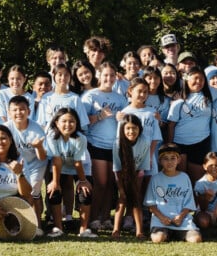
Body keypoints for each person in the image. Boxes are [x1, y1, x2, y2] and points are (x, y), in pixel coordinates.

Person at [81, 62, 128, 229]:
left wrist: (123, 119)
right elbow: (82, 121)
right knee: (100, 183)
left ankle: (106, 218)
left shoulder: (121, 98)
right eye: (105, 75)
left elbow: (127, 122)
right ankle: (94, 218)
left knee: (110, 184)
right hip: (96, 144)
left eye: (112, 75)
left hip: (115, 146)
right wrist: (100, 116)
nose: (109, 78)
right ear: (98, 76)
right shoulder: (90, 95)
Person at [44, 107, 94, 238]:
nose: (68, 125)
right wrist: (55, 182)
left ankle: (83, 229)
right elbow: (56, 160)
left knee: (85, 193)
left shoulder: (81, 138)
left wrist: (82, 181)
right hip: (60, 165)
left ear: (77, 123)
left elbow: (78, 162)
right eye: (64, 121)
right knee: (54, 191)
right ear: (56, 123)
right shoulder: (51, 137)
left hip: (82, 166)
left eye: (72, 121)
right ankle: (58, 228)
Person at [145, 143, 202, 243]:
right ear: (160, 161)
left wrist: (181, 216)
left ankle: (178, 234)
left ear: (179, 160)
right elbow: (151, 205)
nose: (169, 162)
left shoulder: (184, 177)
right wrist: (162, 217)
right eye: (165, 159)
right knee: (158, 239)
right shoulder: (155, 179)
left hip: (182, 221)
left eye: (173, 158)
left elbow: (189, 203)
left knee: (196, 239)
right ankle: (166, 234)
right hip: (161, 221)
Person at [7, 94, 48, 230]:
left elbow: (42, 157)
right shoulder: (5, 129)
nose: (19, 113)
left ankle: (38, 226)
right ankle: (16, 224)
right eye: (15, 110)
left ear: (29, 112)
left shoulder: (36, 130)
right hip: (16, 163)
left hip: (36, 163)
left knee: (33, 192)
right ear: (9, 112)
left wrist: (39, 147)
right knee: (15, 191)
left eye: (22, 109)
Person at [165, 67, 214, 183]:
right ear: (186, 80)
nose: (198, 82)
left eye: (201, 79)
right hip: (180, 143)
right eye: (195, 78)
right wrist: (170, 147)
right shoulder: (178, 99)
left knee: (197, 182)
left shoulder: (209, 96)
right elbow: (171, 125)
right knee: (180, 180)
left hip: (201, 143)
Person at [112, 114, 150, 239]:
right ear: (122, 129)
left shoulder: (144, 141)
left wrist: (135, 185)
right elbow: (117, 168)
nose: (131, 131)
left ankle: (139, 232)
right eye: (127, 128)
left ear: (139, 129)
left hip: (137, 173)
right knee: (122, 199)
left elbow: (142, 165)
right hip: (121, 174)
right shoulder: (117, 143)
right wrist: (121, 189)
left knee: (136, 199)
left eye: (134, 128)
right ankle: (116, 230)